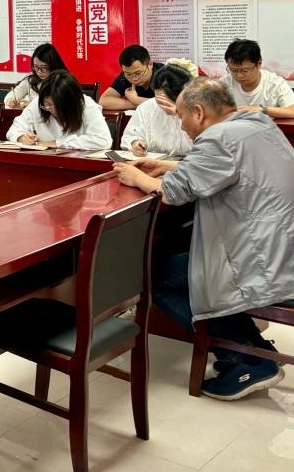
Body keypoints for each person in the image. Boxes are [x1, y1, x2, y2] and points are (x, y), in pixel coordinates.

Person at [114, 78, 294, 400]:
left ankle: (245, 357)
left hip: (261, 258)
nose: (181, 126)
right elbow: (227, 165)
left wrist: (136, 176)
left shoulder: (217, 139)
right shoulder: (256, 123)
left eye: (181, 116)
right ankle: (253, 347)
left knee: (158, 276)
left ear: (198, 112)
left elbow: (172, 193)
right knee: (183, 263)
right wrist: (165, 164)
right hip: (282, 245)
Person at [7, 70, 112, 149]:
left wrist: (58, 143)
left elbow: (103, 141)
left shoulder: (87, 105)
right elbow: (14, 128)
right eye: (48, 104)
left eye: (59, 106)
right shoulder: (37, 103)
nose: (53, 110)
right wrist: (21, 136)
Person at [121, 59, 197, 157]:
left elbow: (207, 147)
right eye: (159, 100)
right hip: (151, 162)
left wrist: (180, 114)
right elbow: (129, 136)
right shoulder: (146, 108)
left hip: (189, 163)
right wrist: (135, 143)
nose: (163, 106)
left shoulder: (198, 109)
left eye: (168, 100)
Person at [218, 38, 294, 118]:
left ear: (259, 64)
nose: (239, 75)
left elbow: (292, 111)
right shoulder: (223, 84)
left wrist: (262, 110)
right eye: (233, 70)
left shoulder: (275, 84)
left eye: (245, 71)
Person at [98, 45, 163, 111]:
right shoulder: (124, 76)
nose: (134, 79)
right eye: (129, 74)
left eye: (138, 73)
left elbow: (166, 104)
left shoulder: (165, 73)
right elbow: (103, 101)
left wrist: (135, 99)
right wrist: (136, 103)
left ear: (150, 64)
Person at [4, 43, 67, 109]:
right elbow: (14, 93)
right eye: (36, 67)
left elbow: (58, 107)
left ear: (53, 65)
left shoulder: (63, 82)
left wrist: (32, 106)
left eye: (43, 67)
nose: (39, 72)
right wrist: (10, 100)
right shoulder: (31, 79)